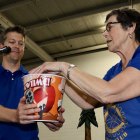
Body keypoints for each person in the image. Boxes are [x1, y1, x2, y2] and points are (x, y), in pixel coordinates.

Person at [30, 8, 140, 140]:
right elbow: (87, 102)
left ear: (130, 27)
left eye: (109, 27)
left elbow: (108, 93)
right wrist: (61, 76)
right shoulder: (113, 71)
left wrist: (64, 66)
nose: (104, 34)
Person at [0, 25, 65, 140]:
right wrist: (15, 115)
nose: (17, 46)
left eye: (21, 43)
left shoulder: (33, 79)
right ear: (2, 46)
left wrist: (50, 119)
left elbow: (39, 112)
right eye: (12, 42)